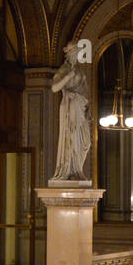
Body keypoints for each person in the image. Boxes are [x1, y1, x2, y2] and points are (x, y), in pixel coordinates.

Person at [52, 43, 92, 181]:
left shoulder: (80, 70)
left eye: (77, 51)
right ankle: (70, 170)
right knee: (72, 137)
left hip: (81, 106)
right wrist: (68, 77)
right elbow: (54, 88)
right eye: (74, 51)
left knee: (86, 142)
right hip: (70, 107)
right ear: (68, 54)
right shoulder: (65, 69)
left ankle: (78, 169)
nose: (76, 54)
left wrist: (87, 107)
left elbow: (86, 91)